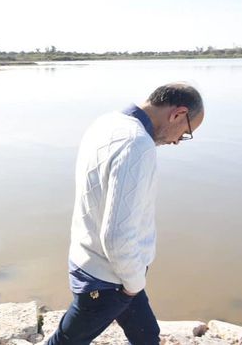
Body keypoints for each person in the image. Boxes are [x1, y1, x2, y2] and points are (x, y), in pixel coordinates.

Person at [47, 83, 204, 345]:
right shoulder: (137, 144)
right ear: (178, 114)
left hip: (95, 261)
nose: (178, 141)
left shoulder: (107, 122)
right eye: (185, 133)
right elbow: (117, 236)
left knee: (146, 335)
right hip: (110, 278)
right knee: (66, 341)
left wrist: (134, 281)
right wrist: (133, 284)